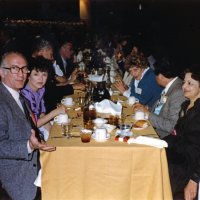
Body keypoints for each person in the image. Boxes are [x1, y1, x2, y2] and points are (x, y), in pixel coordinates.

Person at [0, 52, 55, 200]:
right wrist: (29, 145)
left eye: (24, 69)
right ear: (2, 72)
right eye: (14, 68)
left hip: (34, 163)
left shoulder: (18, 96)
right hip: (16, 177)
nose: (21, 74)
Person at [163, 65, 200, 199]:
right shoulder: (186, 105)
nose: (184, 86)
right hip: (180, 157)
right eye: (184, 82)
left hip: (191, 166)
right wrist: (157, 143)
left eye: (190, 83)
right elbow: (176, 134)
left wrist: (194, 180)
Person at [134, 56, 186, 138]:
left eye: (155, 75)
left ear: (161, 76)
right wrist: (146, 108)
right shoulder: (171, 86)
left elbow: (172, 126)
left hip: (163, 136)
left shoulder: (178, 93)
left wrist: (148, 114)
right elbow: (160, 110)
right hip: (153, 127)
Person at [20, 57, 66, 140]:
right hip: (27, 135)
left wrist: (52, 133)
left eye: (44, 74)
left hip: (38, 127)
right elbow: (33, 124)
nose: (41, 79)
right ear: (28, 76)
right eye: (36, 74)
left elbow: (41, 114)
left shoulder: (41, 90)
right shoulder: (25, 95)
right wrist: (55, 112)